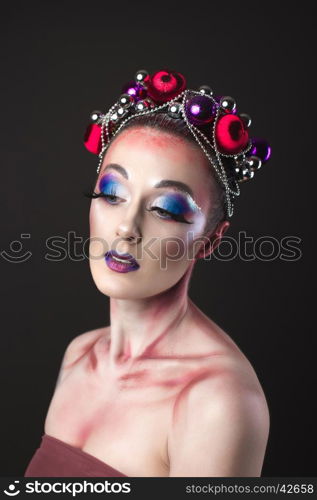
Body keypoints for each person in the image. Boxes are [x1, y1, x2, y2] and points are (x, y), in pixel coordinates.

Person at [24, 69, 271, 477]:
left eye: (166, 209)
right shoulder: (79, 356)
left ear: (209, 240)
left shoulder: (216, 402)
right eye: (111, 194)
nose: (126, 228)